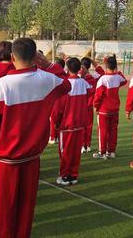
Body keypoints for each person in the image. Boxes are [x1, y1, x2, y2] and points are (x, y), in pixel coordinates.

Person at [0, 38, 70, 238]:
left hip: (5, 161)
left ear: (12, 57)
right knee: (25, 213)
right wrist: (49, 64)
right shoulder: (47, 79)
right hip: (32, 160)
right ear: (36, 56)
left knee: (3, 215)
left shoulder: (2, 85)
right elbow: (66, 84)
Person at [55, 57, 93, 186]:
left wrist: (55, 122)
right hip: (80, 124)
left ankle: (65, 175)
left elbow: (58, 108)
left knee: (65, 152)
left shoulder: (65, 85)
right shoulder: (84, 83)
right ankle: (73, 175)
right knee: (76, 152)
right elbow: (91, 90)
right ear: (80, 68)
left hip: (67, 125)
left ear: (67, 68)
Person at [92, 55, 127, 159]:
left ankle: (102, 152)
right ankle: (111, 152)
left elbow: (98, 95)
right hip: (114, 109)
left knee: (102, 131)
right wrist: (117, 71)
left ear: (106, 65)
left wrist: (96, 106)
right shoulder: (117, 77)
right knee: (113, 131)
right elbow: (124, 80)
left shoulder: (102, 79)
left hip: (104, 110)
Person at [80, 57, 98, 153]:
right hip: (90, 105)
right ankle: (88, 145)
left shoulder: (81, 79)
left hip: (82, 106)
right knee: (89, 126)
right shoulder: (93, 77)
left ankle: (83, 145)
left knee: (82, 126)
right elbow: (101, 72)